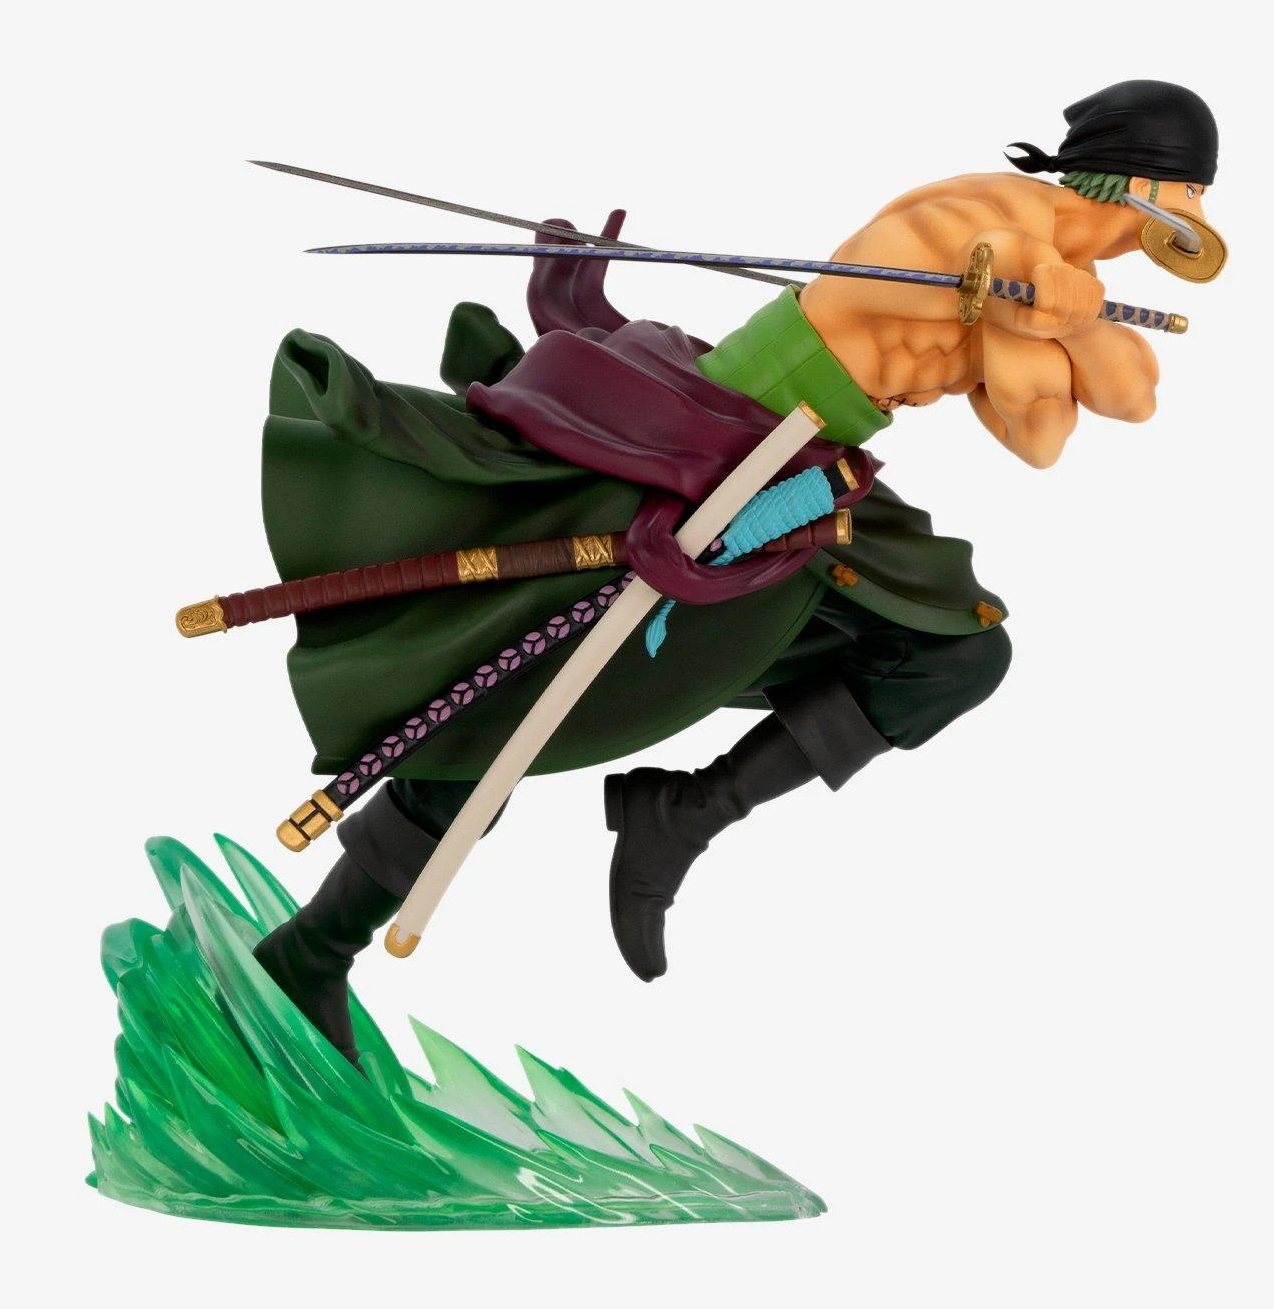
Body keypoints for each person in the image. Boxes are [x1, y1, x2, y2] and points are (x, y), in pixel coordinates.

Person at [255, 79, 1223, 1065]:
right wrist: (1022, 288)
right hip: (718, 434)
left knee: (957, 651)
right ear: (1142, 182)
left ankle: (681, 814)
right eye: (1190, 195)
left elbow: (1080, 420)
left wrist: (1067, 316)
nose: (1194, 219)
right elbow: (921, 269)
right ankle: (310, 953)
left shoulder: (1058, 273)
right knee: (526, 674)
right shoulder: (985, 216)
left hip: (811, 463)